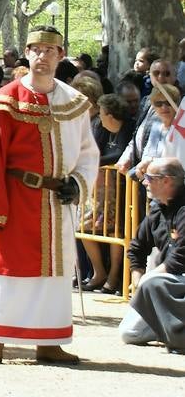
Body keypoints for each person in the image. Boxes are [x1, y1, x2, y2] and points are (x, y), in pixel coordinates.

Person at [0, 26, 99, 365]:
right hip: (18, 197)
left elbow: (88, 152)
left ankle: (50, 340)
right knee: (9, 270)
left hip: (57, 201)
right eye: (37, 50)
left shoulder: (74, 103)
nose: (42, 57)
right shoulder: (5, 100)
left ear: (60, 56)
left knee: (56, 274)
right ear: (27, 53)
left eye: (50, 50)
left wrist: (78, 183)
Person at [118, 157, 185, 353]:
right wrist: (138, 279)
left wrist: (149, 279)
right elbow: (136, 248)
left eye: (149, 177)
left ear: (166, 180)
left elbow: (182, 255)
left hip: (178, 281)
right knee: (129, 333)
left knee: (153, 281)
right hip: (166, 283)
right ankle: (169, 330)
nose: (144, 182)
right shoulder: (157, 210)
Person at [80, 93, 135, 292]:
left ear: (110, 115)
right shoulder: (103, 129)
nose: (99, 117)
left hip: (122, 192)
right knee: (84, 228)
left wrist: (95, 163)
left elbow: (120, 154)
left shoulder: (128, 128)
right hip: (100, 194)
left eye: (101, 113)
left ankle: (113, 276)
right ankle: (98, 272)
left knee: (117, 232)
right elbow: (96, 152)